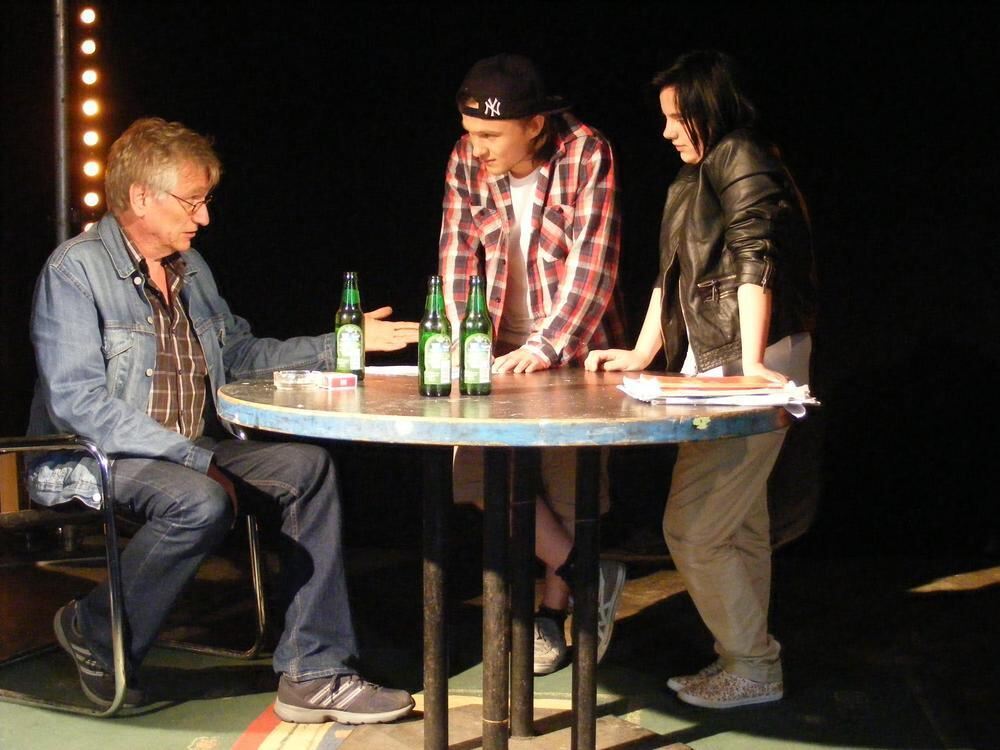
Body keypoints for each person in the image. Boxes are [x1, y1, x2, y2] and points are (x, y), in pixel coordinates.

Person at [27, 117, 419, 723]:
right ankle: (95, 628)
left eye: (205, 201)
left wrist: (341, 345)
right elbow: (79, 404)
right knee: (199, 501)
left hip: (187, 449)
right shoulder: (75, 270)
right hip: (91, 457)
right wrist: (196, 459)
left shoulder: (192, 269)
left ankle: (314, 671)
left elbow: (238, 356)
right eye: (192, 202)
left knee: (306, 467)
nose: (204, 217)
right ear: (141, 197)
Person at [586, 50, 817, 708]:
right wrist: (641, 353)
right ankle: (742, 660)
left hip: (746, 365)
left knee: (693, 528)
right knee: (738, 526)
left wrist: (752, 361)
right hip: (720, 366)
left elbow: (755, 255)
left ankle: (754, 665)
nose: (665, 131)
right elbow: (673, 277)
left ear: (708, 109)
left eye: (676, 117)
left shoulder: (739, 154)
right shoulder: (695, 177)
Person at [439, 53, 628, 675]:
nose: (477, 147)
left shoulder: (586, 153)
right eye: (470, 132)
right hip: (496, 344)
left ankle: (551, 612)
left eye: (491, 135)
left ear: (535, 125)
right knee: (476, 476)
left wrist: (545, 349)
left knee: (569, 486)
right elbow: (457, 257)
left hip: (575, 346)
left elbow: (594, 265)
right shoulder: (467, 159)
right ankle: (587, 571)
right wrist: (463, 346)